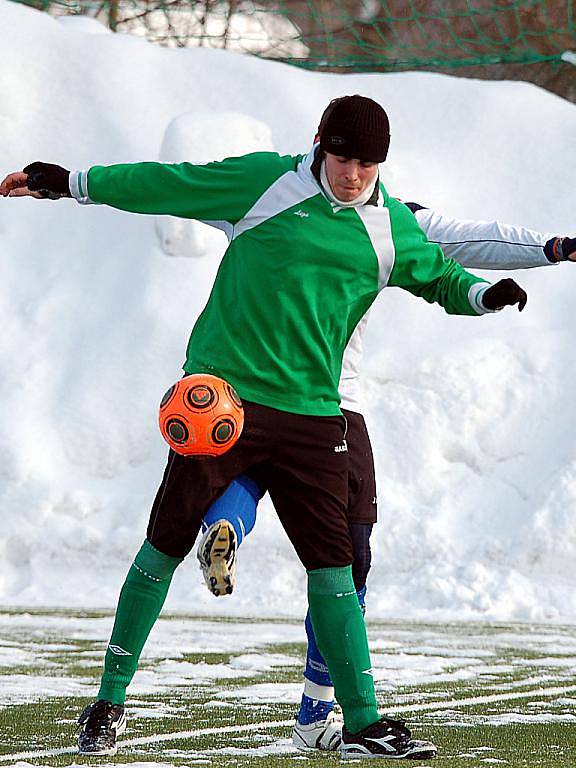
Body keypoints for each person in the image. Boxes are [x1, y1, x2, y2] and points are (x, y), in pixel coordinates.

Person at [0, 95, 528, 760]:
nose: (353, 174)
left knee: (335, 570)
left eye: (367, 163)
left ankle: (362, 722)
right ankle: (107, 702)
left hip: (313, 417)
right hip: (223, 405)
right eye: (342, 157)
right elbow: (169, 183)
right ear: (319, 144)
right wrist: (72, 182)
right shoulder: (264, 181)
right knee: (161, 547)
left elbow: (440, 277)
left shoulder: (388, 226)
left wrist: (485, 296)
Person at [195, 204, 576, 752]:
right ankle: (315, 710)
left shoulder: (278, 196)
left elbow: (188, 192)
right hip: (331, 404)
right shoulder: (391, 219)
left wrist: (76, 184)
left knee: (256, 475)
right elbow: (477, 238)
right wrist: (553, 247)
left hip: (253, 394)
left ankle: (224, 523)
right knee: (348, 559)